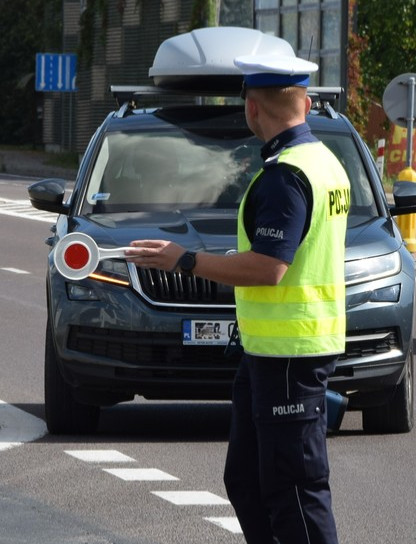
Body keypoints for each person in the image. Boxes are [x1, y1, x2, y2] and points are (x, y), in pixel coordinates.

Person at [124, 49, 349, 544]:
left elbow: (270, 268)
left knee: (294, 491)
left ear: (251, 108)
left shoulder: (286, 177)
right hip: (273, 351)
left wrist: (185, 260)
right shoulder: (323, 162)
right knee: (246, 480)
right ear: (305, 104)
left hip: (290, 353)